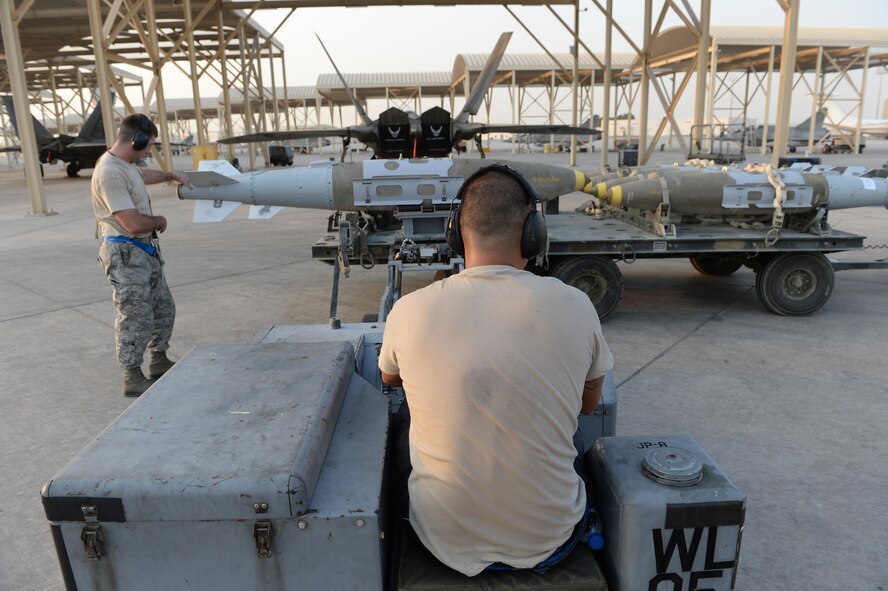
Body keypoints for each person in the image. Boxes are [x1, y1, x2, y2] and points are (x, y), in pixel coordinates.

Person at [378, 164, 613, 577]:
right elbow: (588, 405)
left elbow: (388, 378)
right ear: (533, 233)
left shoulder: (409, 310)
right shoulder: (576, 304)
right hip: (550, 539)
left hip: (441, 542)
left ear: (455, 233)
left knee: (407, 420)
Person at [91, 114, 192, 397]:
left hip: (142, 250)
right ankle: (132, 376)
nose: (149, 150)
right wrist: (159, 220)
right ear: (135, 140)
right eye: (148, 145)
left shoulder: (125, 165)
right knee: (135, 316)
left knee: (163, 307)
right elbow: (133, 223)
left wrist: (171, 175)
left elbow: (140, 176)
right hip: (125, 252)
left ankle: (159, 360)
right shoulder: (109, 172)